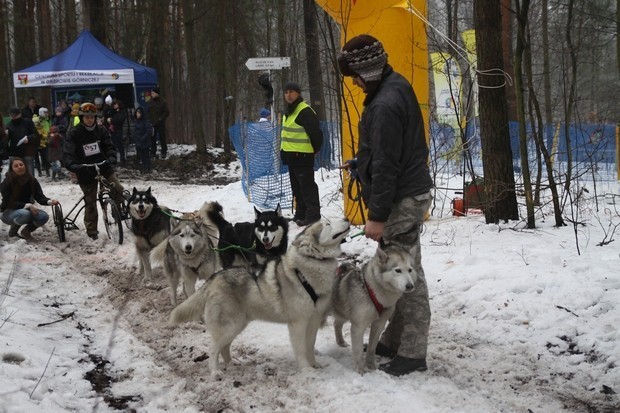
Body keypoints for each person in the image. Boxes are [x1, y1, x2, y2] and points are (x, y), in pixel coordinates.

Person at [337, 34, 434, 376]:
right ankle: (393, 342)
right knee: (401, 271)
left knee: (406, 274)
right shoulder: (395, 86)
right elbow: (385, 152)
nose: (356, 84)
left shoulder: (383, 105)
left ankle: (411, 353)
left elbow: (388, 165)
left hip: (401, 199)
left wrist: (376, 217)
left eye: (356, 77)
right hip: (408, 190)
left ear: (369, 71)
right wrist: (359, 164)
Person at [63, 102, 125, 240]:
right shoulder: (74, 133)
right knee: (90, 202)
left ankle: (117, 211)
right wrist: (72, 165)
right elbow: (68, 152)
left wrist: (112, 157)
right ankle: (92, 232)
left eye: (92, 117)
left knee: (118, 189)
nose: (90, 120)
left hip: (103, 166)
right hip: (85, 170)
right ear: (82, 117)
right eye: (87, 117)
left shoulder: (101, 131)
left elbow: (109, 146)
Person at [280, 82, 323, 226]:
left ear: (298, 93)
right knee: (297, 188)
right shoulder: (290, 111)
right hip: (292, 157)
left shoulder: (304, 111)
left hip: (303, 156)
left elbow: (316, 134)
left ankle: (313, 215)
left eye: (291, 91)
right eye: (286, 92)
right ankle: (300, 213)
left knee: (307, 187)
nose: (288, 95)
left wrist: (314, 150)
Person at [1, 157, 59, 240]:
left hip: (25, 209)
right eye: (16, 166)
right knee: (25, 214)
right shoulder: (7, 182)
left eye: (21, 164)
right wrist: (27, 205)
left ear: (25, 166)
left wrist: (49, 201)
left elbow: (39, 196)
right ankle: (13, 233)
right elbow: (8, 202)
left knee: (43, 216)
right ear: (12, 169)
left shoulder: (32, 180)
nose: (19, 167)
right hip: (8, 212)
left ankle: (26, 231)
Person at [6, 107, 39, 175]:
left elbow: (35, 134)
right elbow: (6, 140)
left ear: (20, 114)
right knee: (15, 173)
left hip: (27, 150)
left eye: (15, 115)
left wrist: (28, 138)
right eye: (12, 116)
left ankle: (30, 184)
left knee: (29, 172)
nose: (14, 117)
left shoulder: (27, 122)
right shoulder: (9, 125)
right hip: (15, 151)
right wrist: (5, 135)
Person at [148, 87, 170, 159]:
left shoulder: (163, 102)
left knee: (162, 138)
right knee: (152, 138)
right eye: (151, 93)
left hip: (160, 124)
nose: (152, 94)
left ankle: (164, 151)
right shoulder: (151, 101)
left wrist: (161, 118)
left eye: (153, 93)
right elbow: (148, 112)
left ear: (157, 93)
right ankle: (153, 152)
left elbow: (166, 112)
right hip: (152, 123)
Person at [132, 107, 153, 173]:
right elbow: (135, 131)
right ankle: (144, 167)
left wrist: (143, 138)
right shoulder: (136, 122)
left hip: (144, 141)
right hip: (138, 141)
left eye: (139, 113)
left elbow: (149, 131)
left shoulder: (145, 121)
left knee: (146, 155)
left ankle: (147, 168)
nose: (137, 114)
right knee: (142, 156)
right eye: (137, 113)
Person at [106, 99, 127, 166]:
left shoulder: (122, 112)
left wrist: (111, 120)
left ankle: (122, 159)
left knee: (120, 145)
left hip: (119, 130)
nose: (114, 105)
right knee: (113, 145)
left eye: (115, 104)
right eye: (114, 104)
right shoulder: (113, 112)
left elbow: (119, 120)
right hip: (113, 130)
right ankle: (114, 159)